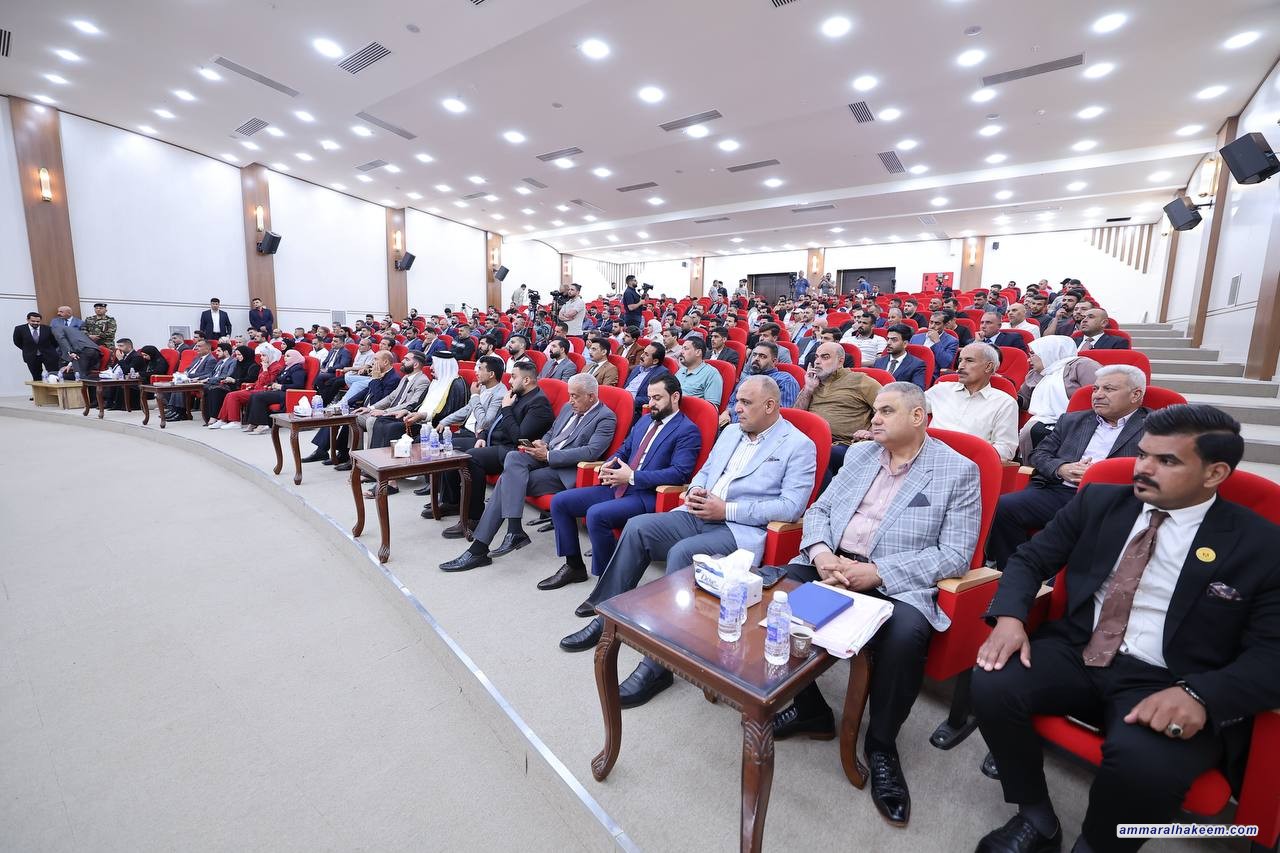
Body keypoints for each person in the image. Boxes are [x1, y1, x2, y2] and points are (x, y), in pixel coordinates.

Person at [972, 405, 1280, 853]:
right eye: (1142, 454)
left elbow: (1272, 652)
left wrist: (1200, 695)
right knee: (992, 680)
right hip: (1080, 648)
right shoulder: (1100, 501)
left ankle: (1098, 846)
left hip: (1172, 678)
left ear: (1215, 473)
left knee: (1146, 764)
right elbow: (1030, 559)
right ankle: (1035, 815)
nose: (1143, 469)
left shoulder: (1262, 545)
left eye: (1166, 460)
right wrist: (1010, 617)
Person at [772, 382, 980, 828]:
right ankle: (811, 710)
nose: (874, 419)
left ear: (918, 416)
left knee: (906, 635)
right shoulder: (861, 455)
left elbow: (955, 554)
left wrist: (880, 572)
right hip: (834, 565)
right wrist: (822, 554)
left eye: (886, 411)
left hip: (896, 583)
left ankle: (882, 744)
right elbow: (820, 511)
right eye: (875, 411)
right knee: (779, 597)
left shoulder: (958, 470)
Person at [559, 376, 817, 706]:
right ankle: (606, 617)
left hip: (738, 529)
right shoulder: (731, 432)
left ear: (770, 406)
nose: (736, 409)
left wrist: (726, 509)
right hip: (697, 512)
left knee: (683, 553)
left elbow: (791, 506)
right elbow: (704, 473)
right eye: (737, 401)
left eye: (745, 403)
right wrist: (695, 491)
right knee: (637, 528)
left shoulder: (798, 445)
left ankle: (657, 665)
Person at [540, 375, 703, 589]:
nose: (651, 403)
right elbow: (624, 450)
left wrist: (632, 477)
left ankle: (607, 584)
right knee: (560, 502)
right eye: (649, 398)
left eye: (657, 398)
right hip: (619, 484)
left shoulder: (687, 430)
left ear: (675, 397)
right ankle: (574, 566)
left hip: (647, 494)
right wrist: (610, 463)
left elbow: (679, 474)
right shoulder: (645, 420)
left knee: (596, 515)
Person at [439, 373, 614, 570]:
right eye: (569, 395)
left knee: (506, 482)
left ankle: (482, 548)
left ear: (591, 396)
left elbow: (591, 452)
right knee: (513, 457)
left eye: (575, 396)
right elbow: (552, 431)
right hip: (545, 457)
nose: (570, 400)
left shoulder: (605, 417)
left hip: (564, 471)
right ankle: (512, 531)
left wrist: (549, 455)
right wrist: (543, 442)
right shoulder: (568, 407)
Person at [988, 365, 1150, 569]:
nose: (1098, 395)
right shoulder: (1072, 420)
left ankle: (1064, 581)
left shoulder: (1154, 427)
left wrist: (1101, 474)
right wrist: (1061, 468)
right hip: (1059, 491)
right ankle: (1013, 570)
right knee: (1004, 507)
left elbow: (1156, 470)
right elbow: (1039, 454)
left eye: (1108, 389)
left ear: (1135, 395)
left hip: (1111, 499)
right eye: (1095, 389)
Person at [436, 361, 555, 536]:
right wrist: (482, 437)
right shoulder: (516, 394)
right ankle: (452, 501)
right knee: (451, 446)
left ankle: (474, 518)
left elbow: (519, 437)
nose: (510, 381)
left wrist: (506, 408)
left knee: (472, 457)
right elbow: (493, 423)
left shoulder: (539, 403)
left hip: (513, 451)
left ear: (527, 380)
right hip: (494, 441)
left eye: (513, 377)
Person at [796, 342, 881, 473]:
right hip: (809, 439)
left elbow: (889, 409)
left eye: (825, 357)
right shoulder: (813, 382)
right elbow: (797, 417)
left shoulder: (860, 380)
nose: (817, 362)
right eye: (816, 357)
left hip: (843, 444)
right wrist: (808, 389)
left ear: (840, 361)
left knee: (818, 454)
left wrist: (872, 432)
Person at [925, 343, 1018, 461]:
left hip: (968, 464)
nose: (960, 366)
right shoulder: (940, 389)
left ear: (988, 367)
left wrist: (971, 457)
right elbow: (908, 412)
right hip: (926, 458)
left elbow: (1005, 449)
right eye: (960, 360)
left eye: (969, 361)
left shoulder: (1004, 403)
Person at [305, 351, 401, 464]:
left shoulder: (394, 379)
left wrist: (375, 379)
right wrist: (346, 403)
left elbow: (380, 401)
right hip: (363, 408)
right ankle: (322, 451)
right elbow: (366, 391)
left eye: (375, 359)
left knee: (350, 419)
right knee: (335, 414)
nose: (372, 362)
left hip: (377, 412)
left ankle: (344, 454)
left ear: (385, 362)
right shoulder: (379, 373)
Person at [1018, 336, 1102, 455]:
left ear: (1048, 352)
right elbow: (1024, 400)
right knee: (1032, 431)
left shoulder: (1081, 365)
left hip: (1080, 421)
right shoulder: (1035, 373)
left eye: (1032, 354)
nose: (1028, 360)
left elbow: (1100, 393)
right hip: (1044, 421)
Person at [344, 352, 431, 451]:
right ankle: (354, 454)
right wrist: (370, 408)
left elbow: (412, 403)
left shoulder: (422, 381)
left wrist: (385, 411)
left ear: (415, 365)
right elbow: (390, 398)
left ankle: (371, 454)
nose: (402, 361)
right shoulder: (405, 378)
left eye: (407, 359)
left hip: (402, 415)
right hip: (390, 412)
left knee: (371, 420)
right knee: (356, 417)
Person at [720, 342, 799, 427]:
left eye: (762, 356)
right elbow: (732, 402)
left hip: (757, 430)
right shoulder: (747, 378)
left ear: (774, 361)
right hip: (729, 426)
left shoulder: (785, 380)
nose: (756, 359)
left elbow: (781, 414)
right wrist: (726, 412)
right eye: (754, 355)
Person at [217, 344, 282, 428]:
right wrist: (252, 385)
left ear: (270, 356)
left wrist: (265, 370)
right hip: (256, 389)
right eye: (261, 355)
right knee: (229, 395)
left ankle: (235, 421)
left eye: (264, 355)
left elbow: (268, 382)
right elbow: (259, 381)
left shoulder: (276, 367)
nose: (261, 358)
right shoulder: (266, 365)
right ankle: (222, 420)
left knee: (233, 395)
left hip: (265, 391)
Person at [243, 348, 307, 433]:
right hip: (279, 391)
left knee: (259, 397)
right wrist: (274, 384)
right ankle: (253, 422)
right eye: (285, 356)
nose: (285, 358)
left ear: (295, 357)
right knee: (254, 395)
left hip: (287, 393)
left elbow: (298, 386)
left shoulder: (298, 369)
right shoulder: (286, 368)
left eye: (288, 356)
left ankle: (262, 424)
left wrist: (281, 386)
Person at [205, 344, 259, 427]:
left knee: (219, 392)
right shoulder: (238, 364)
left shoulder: (254, 366)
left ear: (246, 354)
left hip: (242, 387)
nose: (237, 357)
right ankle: (220, 419)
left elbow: (250, 379)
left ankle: (219, 418)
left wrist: (235, 380)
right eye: (236, 355)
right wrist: (228, 379)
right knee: (213, 389)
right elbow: (233, 375)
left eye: (239, 355)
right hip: (233, 386)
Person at [163, 339, 218, 420]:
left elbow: (207, 374)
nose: (196, 348)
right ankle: (174, 410)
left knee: (180, 387)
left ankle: (181, 413)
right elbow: (188, 369)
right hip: (189, 379)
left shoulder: (211, 359)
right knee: (171, 385)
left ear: (207, 348)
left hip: (199, 381)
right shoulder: (197, 358)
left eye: (199, 346)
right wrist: (184, 374)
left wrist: (189, 376)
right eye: (196, 346)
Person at [622, 342, 671, 420]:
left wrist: (629, 400)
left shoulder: (662, 373)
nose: (642, 356)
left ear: (655, 361)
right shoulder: (637, 368)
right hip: (622, 401)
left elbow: (654, 398)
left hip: (636, 409)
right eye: (643, 352)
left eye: (646, 355)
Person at [873, 324, 927, 391]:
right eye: (888, 339)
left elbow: (917, 391)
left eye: (894, 340)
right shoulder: (879, 362)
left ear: (905, 344)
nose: (888, 343)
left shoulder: (916, 365)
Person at [674, 336, 723, 406]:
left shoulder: (711, 374)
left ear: (698, 352)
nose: (681, 352)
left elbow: (712, 407)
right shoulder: (681, 370)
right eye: (682, 348)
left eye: (686, 349)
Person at [13, 312, 61, 381]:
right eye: (33, 321)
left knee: (54, 376)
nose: (35, 323)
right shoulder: (19, 329)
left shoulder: (47, 329)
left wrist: (50, 350)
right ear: (28, 320)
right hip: (31, 356)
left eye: (38, 321)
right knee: (37, 377)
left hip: (49, 356)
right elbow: (17, 342)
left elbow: (54, 342)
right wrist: (28, 349)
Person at [910, 312, 958, 379]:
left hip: (931, 374)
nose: (932, 326)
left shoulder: (952, 341)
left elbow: (945, 364)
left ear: (945, 325)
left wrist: (937, 342)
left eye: (937, 323)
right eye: (931, 322)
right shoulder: (916, 337)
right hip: (911, 371)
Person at [311, 337, 353, 403]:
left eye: (335, 341)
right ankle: (321, 396)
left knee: (318, 377)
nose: (332, 343)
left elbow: (343, 365)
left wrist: (328, 369)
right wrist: (322, 368)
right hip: (326, 371)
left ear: (342, 344)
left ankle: (324, 398)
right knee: (314, 374)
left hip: (335, 373)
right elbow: (325, 362)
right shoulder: (331, 350)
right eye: (332, 341)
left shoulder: (345, 352)